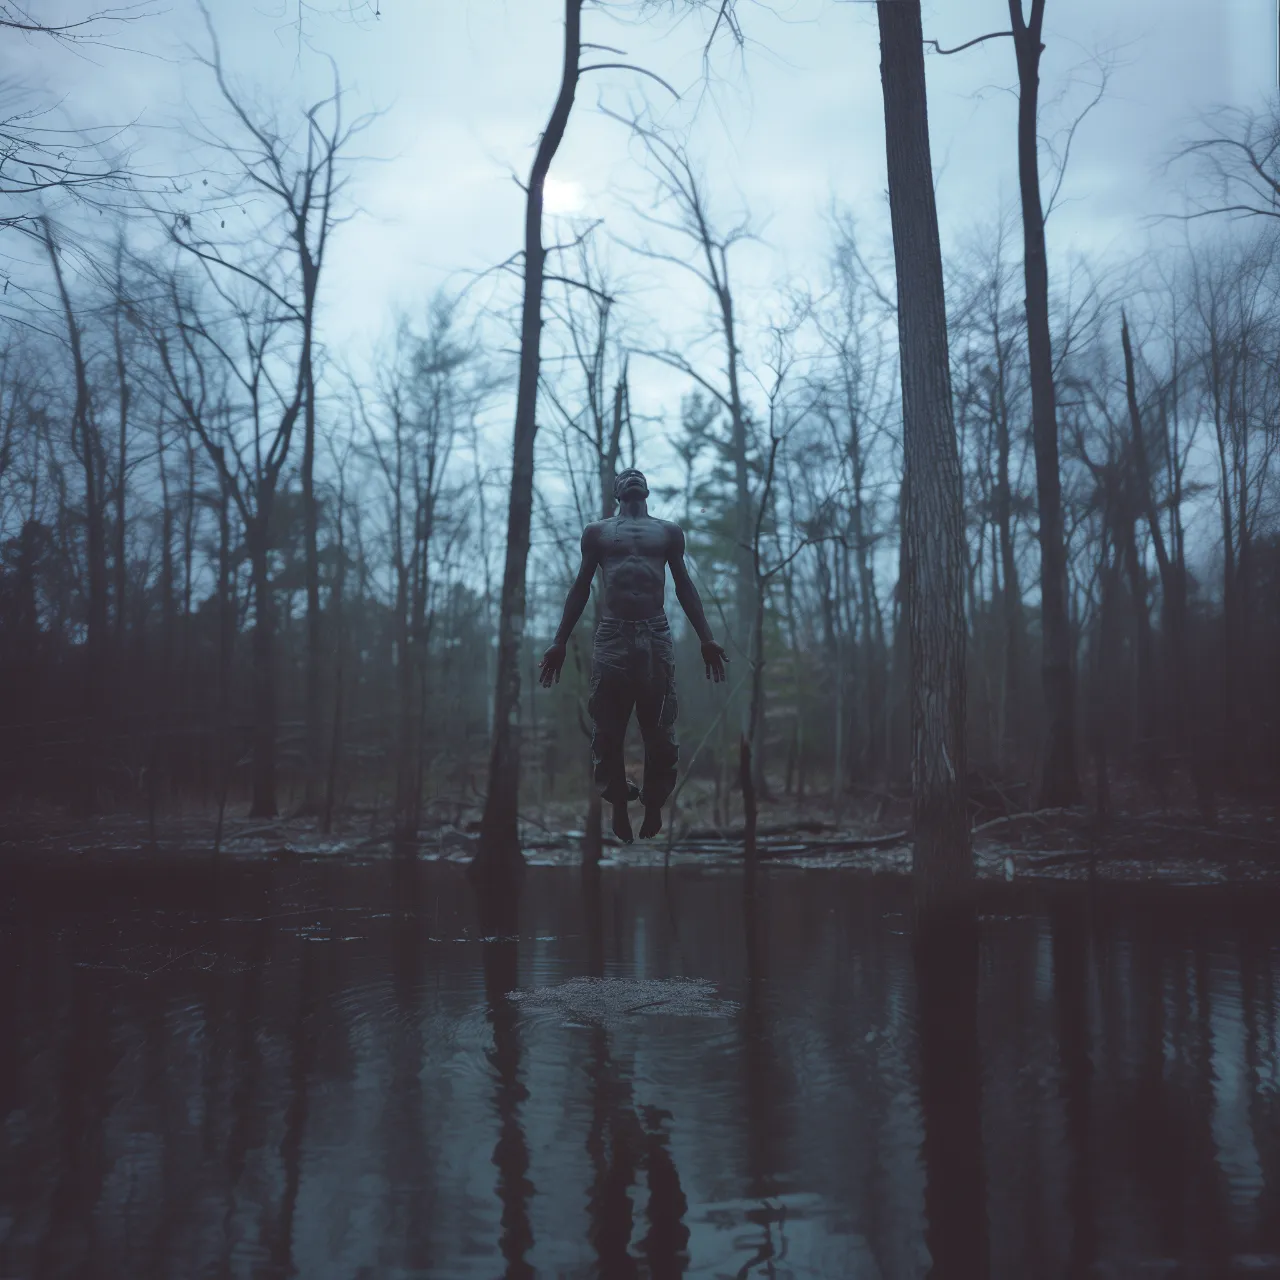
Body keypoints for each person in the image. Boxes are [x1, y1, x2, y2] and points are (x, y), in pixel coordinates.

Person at [539, 468, 728, 843]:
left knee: (659, 729)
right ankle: (619, 804)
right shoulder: (598, 532)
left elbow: (684, 585)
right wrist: (560, 640)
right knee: (607, 729)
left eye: (638, 475)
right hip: (612, 634)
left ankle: (654, 802)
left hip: (655, 633)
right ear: (616, 492)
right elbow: (580, 587)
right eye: (625, 476)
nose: (632, 478)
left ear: (647, 488)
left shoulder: (669, 532)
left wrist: (706, 638)